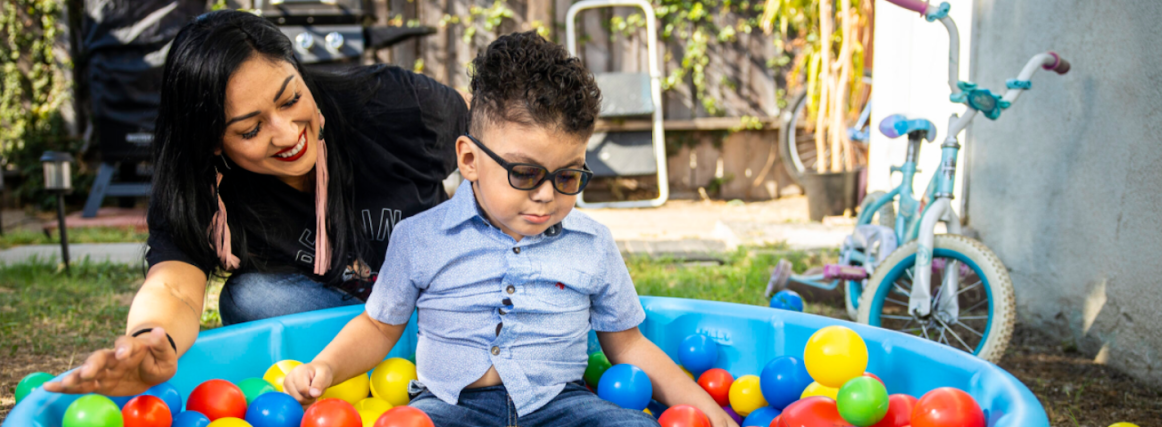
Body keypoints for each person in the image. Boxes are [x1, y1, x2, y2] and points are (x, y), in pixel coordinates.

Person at [284, 31, 740, 427]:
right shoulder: (419, 238)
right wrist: (324, 367)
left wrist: (703, 407)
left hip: (562, 407)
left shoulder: (593, 245)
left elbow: (628, 345)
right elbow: (379, 328)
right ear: (469, 161)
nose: (546, 195)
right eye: (524, 174)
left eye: (568, 177)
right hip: (450, 407)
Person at [44, 10, 468, 397]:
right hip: (344, 319)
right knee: (249, 298)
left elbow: (497, 142)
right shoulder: (198, 185)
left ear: (299, 73)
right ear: (212, 141)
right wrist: (148, 341)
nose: (286, 134)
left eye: (290, 99)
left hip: (441, 304)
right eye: (250, 129)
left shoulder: (392, 104)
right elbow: (173, 287)